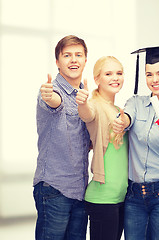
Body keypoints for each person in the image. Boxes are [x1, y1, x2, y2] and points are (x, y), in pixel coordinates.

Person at [112, 45, 159, 240]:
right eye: (149, 74)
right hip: (134, 195)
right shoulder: (136, 102)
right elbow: (127, 118)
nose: (154, 80)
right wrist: (122, 122)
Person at [33, 35, 90, 239]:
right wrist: (50, 97)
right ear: (57, 62)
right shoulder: (51, 90)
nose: (73, 60)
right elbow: (54, 102)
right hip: (54, 189)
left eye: (78, 55)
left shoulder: (84, 94)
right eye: (67, 55)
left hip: (80, 190)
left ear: (85, 60)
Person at [76, 56, 128, 240]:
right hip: (102, 198)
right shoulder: (95, 105)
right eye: (108, 74)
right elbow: (88, 115)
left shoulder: (119, 109)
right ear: (97, 79)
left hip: (121, 197)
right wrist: (82, 103)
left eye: (119, 73)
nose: (115, 77)